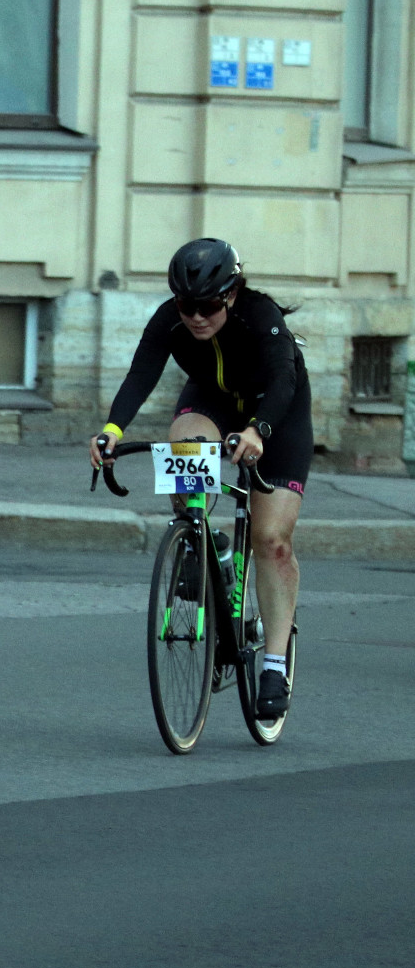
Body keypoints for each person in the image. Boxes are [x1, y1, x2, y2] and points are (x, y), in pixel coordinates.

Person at [89, 238, 308, 718]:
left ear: (230, 295)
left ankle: (273, 664)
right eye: (187, 306)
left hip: (278, 413)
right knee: (184, 453)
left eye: (208, 306)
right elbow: (141, 373)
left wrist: (258, 430)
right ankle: (200, 542)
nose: (196, 317)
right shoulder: (170, 319)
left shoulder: (260, 315)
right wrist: (111, 430)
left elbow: (284, 382)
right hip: (211, 401)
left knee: (272, 540)